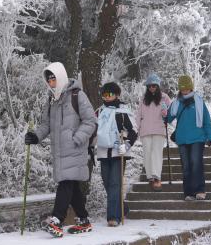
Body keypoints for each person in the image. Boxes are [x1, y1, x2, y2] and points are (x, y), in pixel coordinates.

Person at [24, 62, 97, 238]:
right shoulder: (52, 100)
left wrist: (77, 139)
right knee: (72, 186)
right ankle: (84, 220)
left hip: (75, 148)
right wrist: (35, 136)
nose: (51, 82)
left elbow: (91, 121)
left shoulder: (77, 95)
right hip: (59, 151)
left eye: (53, 78)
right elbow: (46, 124)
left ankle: (57, 220)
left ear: (61, 76)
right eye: (48, 79)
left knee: (66, 183)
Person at [165, 75, 211, 201]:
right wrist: (163, 112)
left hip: (198, 138)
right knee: (186, 166)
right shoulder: (176, 103)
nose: (185, 91)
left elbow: (206, 120)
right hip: (182, 139)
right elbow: (168, 118)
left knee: (196, 163)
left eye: (187, 88)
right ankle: (188, 192)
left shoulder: (198, 101)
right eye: (182, 89)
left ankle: (200, 190)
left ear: (191, 87)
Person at [95, 82, 137, 227]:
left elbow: (133, 131)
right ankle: (123, 208)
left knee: (114, 183)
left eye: (110, 94)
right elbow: (93, 130)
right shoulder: (99, 112)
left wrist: (127, 145)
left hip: (118, 151)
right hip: (103, 152)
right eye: (104, 95)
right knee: (107, 183)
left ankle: (113, 217)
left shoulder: (123, 111)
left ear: (117, 94)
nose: (107, 97)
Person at [135, 74, 172, 191]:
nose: (152, 88)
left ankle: (157, 177)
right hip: (145, 130)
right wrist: (137, 128)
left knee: (156, 153)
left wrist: (166, 113)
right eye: (150, 86)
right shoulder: (143, 98)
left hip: (159, 129)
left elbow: (171, 112)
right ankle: (150, 176)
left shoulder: (164, 97)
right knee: (147, 153)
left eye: (154, 85)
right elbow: (138, 114)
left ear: (158, 86)